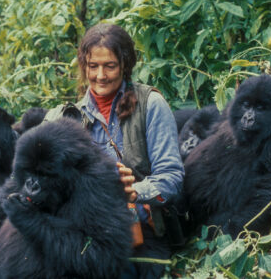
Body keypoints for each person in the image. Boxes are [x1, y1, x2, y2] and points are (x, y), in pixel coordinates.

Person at [44, 23, 184, 278]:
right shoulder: (63, 118)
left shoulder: (150, 105)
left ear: (125, 65)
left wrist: (133, 192)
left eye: (110, 65)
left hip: (140, 234)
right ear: (84, 65)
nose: (100, 75)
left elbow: (172, 178)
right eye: (93, 66)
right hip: (83, 233)